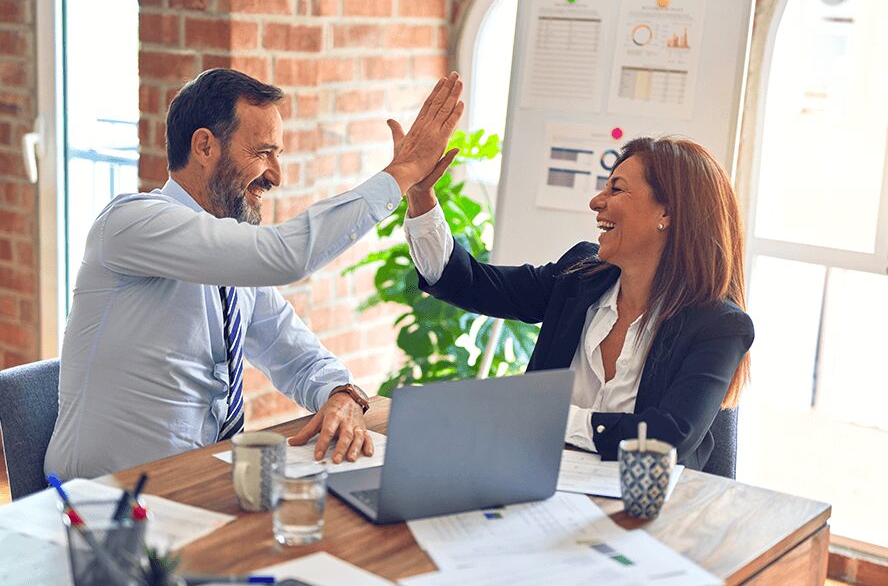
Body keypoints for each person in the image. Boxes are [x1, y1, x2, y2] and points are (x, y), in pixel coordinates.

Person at [45, 68, 464, 479]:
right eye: (263, 152)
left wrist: (341, 393)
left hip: (199, 485)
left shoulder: (231, 262)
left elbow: (297, 355)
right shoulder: (131, 223)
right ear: (205, 147)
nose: (276, 176)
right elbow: (287, 255)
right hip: (103, 504)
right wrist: (403, 171)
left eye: (277, 155)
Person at [402, 136, 753, 471]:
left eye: (616, 189)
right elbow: (470, 283)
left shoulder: (718, 325)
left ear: (667, 213)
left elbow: (666, 438)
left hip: (647, 512)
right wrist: (421, 195)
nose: (596, 201)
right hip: (536, 483)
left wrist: (547, 416)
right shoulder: (579, 277)